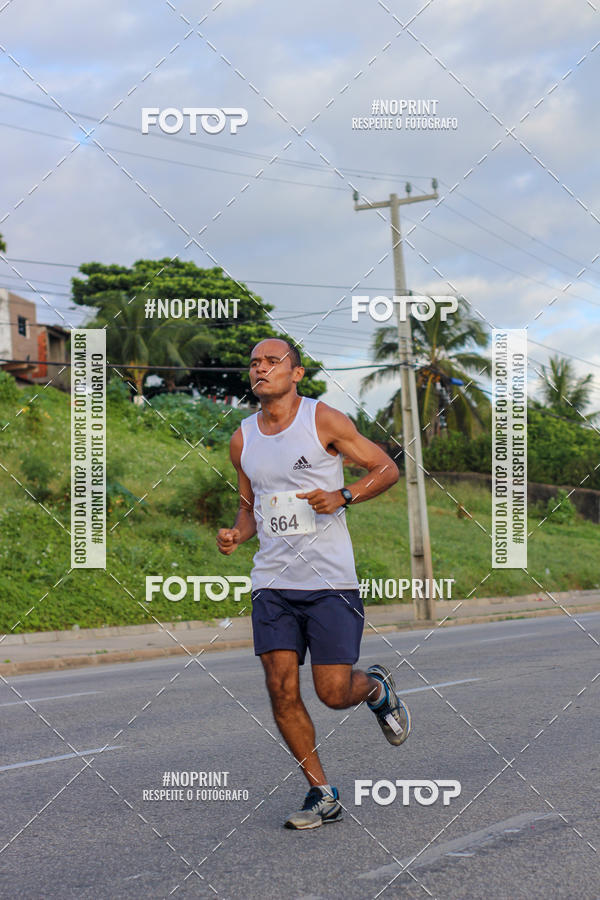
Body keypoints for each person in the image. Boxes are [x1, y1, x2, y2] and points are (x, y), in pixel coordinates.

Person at [216, 338, 411, 830]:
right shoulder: (242, 439)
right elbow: (249, 508)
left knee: (333, 692)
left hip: (329, 582)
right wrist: (237, 533)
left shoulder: (323, 420)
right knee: (281, 690)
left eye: (272, 361)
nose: (260, 369)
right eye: (254, 363)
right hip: (272, 584)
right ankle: (321, 793)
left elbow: (386, 468)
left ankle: (376, 689)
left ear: (296, 373)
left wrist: (343, 494)